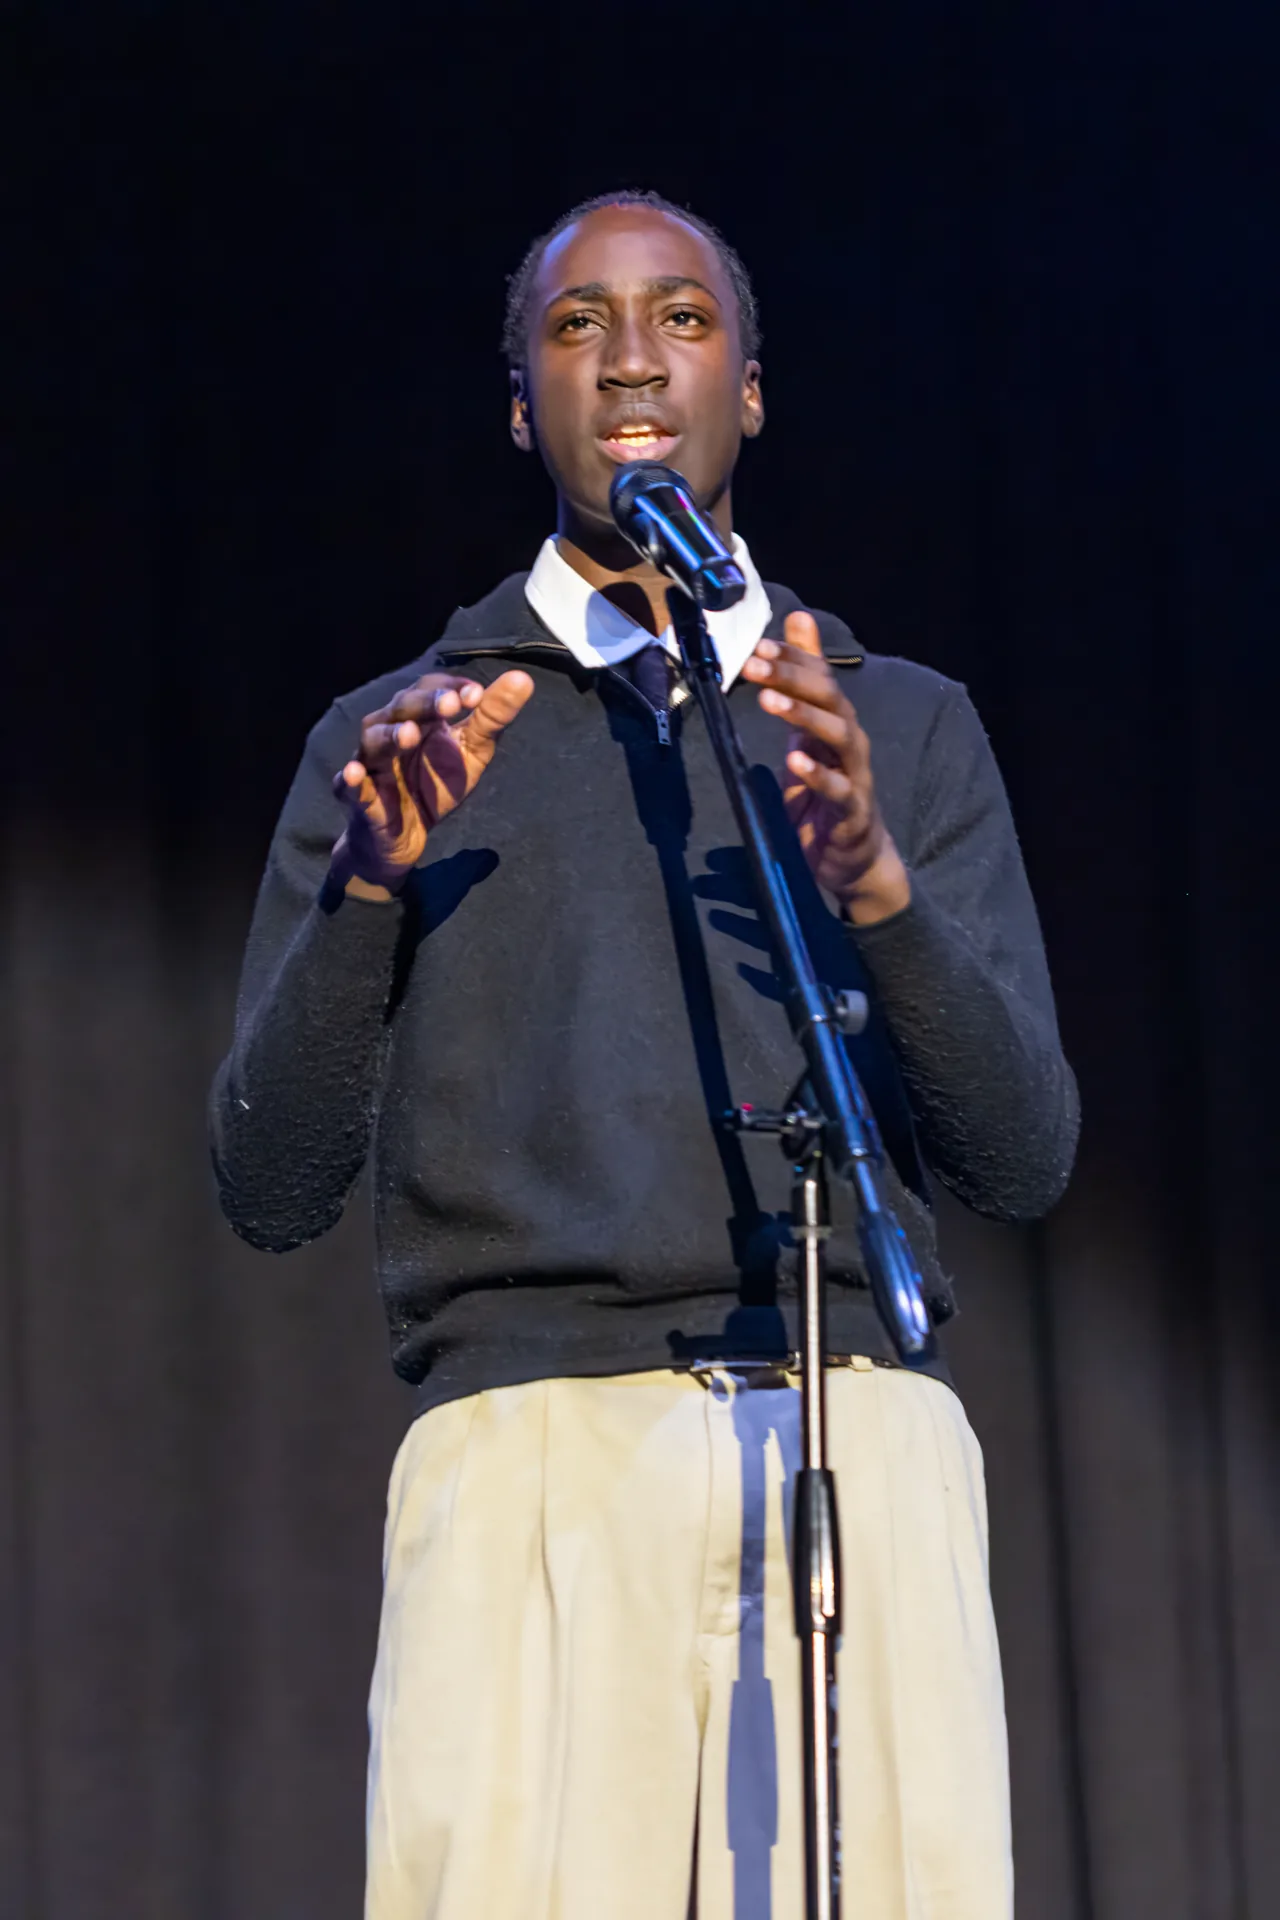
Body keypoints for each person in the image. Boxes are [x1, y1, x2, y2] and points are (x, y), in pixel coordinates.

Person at [211, 190, 1078, 1920]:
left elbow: (1022, 1157)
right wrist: (372, 887)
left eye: (682, 318)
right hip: (535, 1455)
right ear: (520, 399)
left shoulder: (888, 723)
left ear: (750, 388)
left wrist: (881, 892)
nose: (629, 359)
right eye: (576, 323)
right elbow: (270, 1178)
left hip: (856, 1438)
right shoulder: (412, 739)